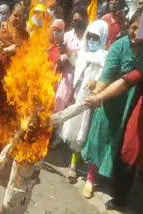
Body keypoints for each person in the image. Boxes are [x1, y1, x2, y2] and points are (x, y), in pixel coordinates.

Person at [81, 10, 143, 199]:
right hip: (111, 100)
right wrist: (98, 94)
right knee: (101, 136)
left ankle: (110, 178)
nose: (136, 32)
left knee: (120, 142)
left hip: (133, 106)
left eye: (140, 29)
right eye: (134, 27)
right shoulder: (119, 46)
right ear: (128, 26)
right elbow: (106, 76)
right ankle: (91, 179)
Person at [61, 20, 108, 184]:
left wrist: (96, 83)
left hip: (95, 100)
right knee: (77, 132)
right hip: (80, 97)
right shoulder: (82, 53)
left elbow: (106, 76)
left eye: (96, 37)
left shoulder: (105, 56)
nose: (92, 40)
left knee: (89, 133)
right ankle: (73, 165)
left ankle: (90, 174)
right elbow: (77, 71)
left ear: (102, 37)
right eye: (90, 36)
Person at [50, 7, 88, 149]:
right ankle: (54, 135)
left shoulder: (89, 37)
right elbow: (58, 52)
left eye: (79, 20)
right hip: (67, 77)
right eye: (74, 20)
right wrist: (62, 57)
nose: (76, 23)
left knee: (73, 108)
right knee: (59, 106)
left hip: (81, 79)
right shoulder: (67, 36)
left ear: (85, 20)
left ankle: (65, 137)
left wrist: (74, 56)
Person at [0, 3, 29, 112]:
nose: (17, 18)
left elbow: (29, 50)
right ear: (10, 14)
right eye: (15, 15)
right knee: (2, 105)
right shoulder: (3, 29)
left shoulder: (25, 33)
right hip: (2, 73)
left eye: (20, 16)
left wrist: (17, 48)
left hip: (18, 74)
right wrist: (4, 50)